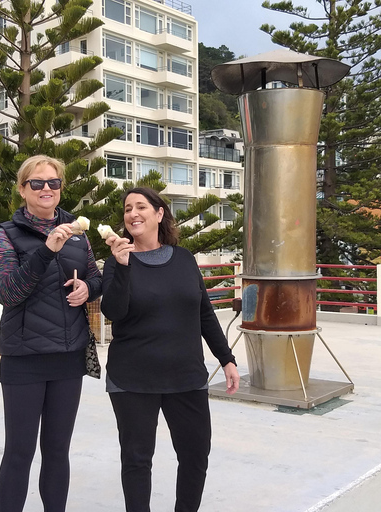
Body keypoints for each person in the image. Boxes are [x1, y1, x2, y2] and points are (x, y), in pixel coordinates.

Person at [101, 186, 240, 512]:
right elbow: (113, 312)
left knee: (195, 456)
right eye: (127, 209)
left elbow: (203, 312)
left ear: (159, 214)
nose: (132, 213)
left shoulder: (183, 258)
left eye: (141, 207)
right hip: (132, 380)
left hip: (186, 377)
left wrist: (227, 358)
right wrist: (122, 266)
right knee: (136, 460)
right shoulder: (117, 262)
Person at [0, 155, 102, 512]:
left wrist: (89, 290)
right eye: (37, 183)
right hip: (24, 360)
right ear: (23, 190)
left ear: (61, 188)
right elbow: (7, 293)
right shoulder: (5, 235)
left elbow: (95, 276)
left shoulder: (78, 235)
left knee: (57, 452)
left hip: (68, 357)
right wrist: (45, 250)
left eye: (53, 182)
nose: (46, 189)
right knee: (19, 453)